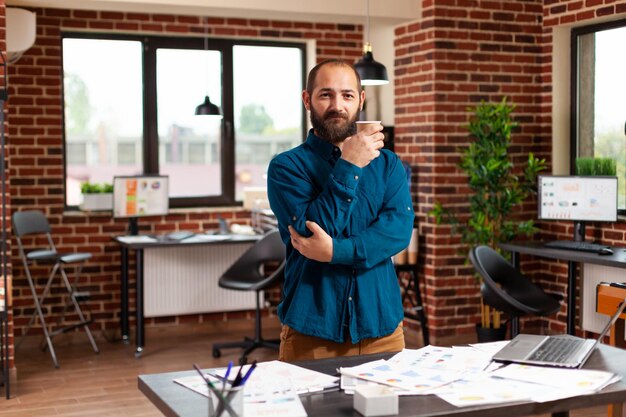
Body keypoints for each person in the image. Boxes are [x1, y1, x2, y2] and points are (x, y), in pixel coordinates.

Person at [267, 59, 414, 362]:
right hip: (313, 333)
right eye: (326, 95)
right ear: (307, 99)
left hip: (382, 330)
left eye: (347, 95)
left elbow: (397, 234)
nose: (337, 105)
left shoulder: (388, 165)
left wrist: (335, 252)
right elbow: (313, 231)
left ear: (361, 100)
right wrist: (350, 165)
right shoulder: (286, 167)